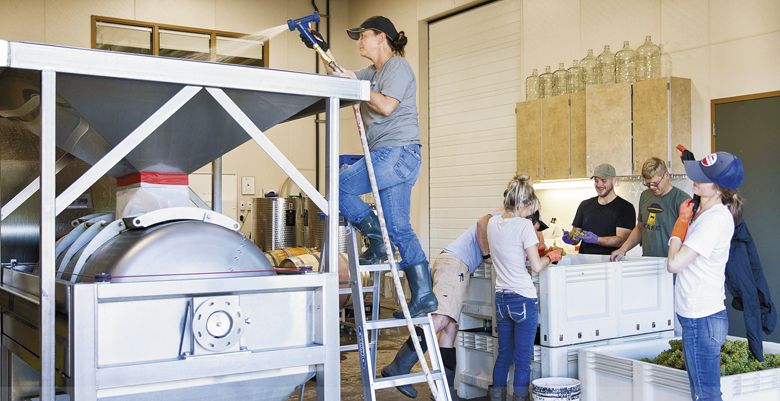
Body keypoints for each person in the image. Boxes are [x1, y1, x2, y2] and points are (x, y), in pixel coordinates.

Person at [301, 16, 436, 317]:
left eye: (364, 35)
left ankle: (376, 239)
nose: (359, 41)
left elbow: (387, 105)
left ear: (382, 38)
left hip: (396, 153)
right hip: (396, 157)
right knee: (400, 228)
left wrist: (360, 88)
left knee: (339, 186)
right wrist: (319, 47)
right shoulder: (371, 73)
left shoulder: (397, 67)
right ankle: (424, 294)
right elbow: (342, 78)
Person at [382, 210, 551, 399]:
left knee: (450, 328)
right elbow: (481, 223)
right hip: (455, 263)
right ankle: (399, 366)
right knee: (440, 318)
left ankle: (443, 391)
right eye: (535, 228)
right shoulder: (503, 217)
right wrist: (486, 254)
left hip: (457, 264)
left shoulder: (512, 224)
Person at [666, 151, 744, 401]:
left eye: (703, 178)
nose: (695, 180)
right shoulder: (703, 214)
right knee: (702, 393)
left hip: (703, 318)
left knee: (706, 396)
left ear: (720, 188)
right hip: (697, 317)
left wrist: (680, 224)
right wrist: (687, 219)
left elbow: (675, 263)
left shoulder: (715, 220)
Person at [488, 175, 562, 401]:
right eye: (530, 209)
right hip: (523, 298)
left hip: (501, 298)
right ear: (523, 204)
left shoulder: (493, 222)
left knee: (504, 356)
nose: (531, 214)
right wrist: (551, 256)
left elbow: (508, 256)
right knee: (522, 359)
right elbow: (537, 266)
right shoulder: (524, 226)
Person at [611, 157, 690, 261]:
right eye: (648, 184)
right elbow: (640, 227)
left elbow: (690, 239)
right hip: (647, 261)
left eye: (655, 183)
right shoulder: (645, 196)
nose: (652, 187)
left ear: (666, 175)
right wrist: (623, 249)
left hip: (671, 264)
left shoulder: (682, 200)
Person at [561, 163, 636, 255]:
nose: (599, 185)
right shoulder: (585, 205)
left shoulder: (626, 208)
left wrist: (596, 240)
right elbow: (576, 236)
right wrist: (571, 238)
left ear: (614, 181)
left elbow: (621, 241)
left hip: (611, 262)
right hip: (584, 262)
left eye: (603, 181)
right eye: (596, 181)